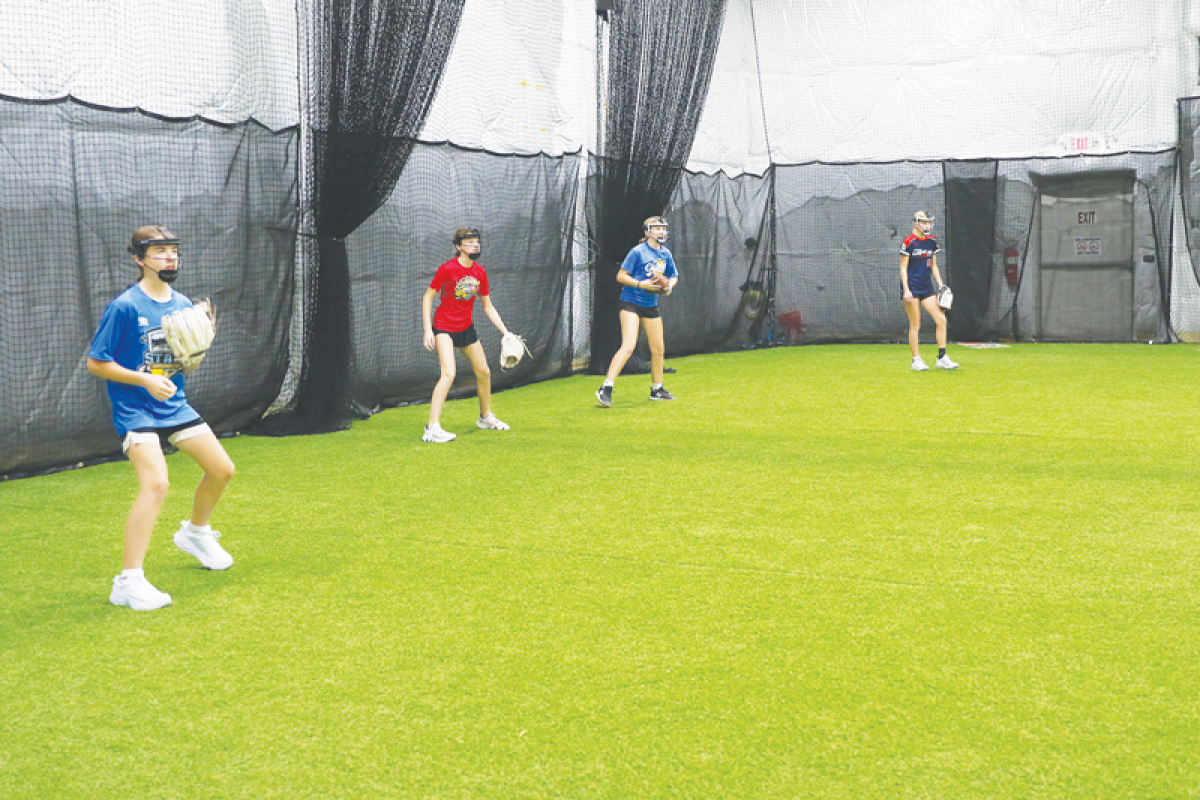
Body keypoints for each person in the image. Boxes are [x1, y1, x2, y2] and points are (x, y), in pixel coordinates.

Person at [86, 225, 236, 611]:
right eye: (160, 251)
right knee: (156, 485)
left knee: (222, 469)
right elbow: (96, 362)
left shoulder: (182, 302)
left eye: (173, 251)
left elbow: (178, 359)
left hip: (174, 404)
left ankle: (196, 533)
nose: (170, 257)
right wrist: (143, 380)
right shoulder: (125, 306)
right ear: (139, 259)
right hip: (135, 408)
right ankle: (128, 581)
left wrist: (192, 356)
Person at [421, 228, 513, 442]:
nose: (475, 245)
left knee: (484, 371)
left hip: (465, 327)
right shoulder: (447, 269)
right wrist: (428, 330)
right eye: (470, 242)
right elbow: (428, 297)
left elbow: (488, 307)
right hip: (444, 326)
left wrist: (505, 332)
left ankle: (485, 417)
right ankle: (431, 428)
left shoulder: (480, 272)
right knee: (449, 374)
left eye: (477, 242)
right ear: (458, 246)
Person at [596, 216, 680, 407]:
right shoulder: (637, 252)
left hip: (650, 304)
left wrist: (668, 287)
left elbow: (673, 276)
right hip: (631, 302)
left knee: (658, 349)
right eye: (656, 228)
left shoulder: (665, 254)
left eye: (663, 228)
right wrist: (640, 283)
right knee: (628, 345)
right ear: (647, 232)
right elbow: (621, 276)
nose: (661, 232)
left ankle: (657, 389)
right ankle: (606, 387)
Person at [901, 211, 958, 371]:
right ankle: (916, 360)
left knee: (941, 320)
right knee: (915, 324)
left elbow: (933, 266)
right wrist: (906, 290)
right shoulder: (908, 242)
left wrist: (941, 285)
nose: (927, 225)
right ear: (916, 223)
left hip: (926, 287)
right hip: (912, 287)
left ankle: (942, 357)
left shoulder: (932, 242)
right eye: (924, 222)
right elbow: (903, 268)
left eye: (928, 222)